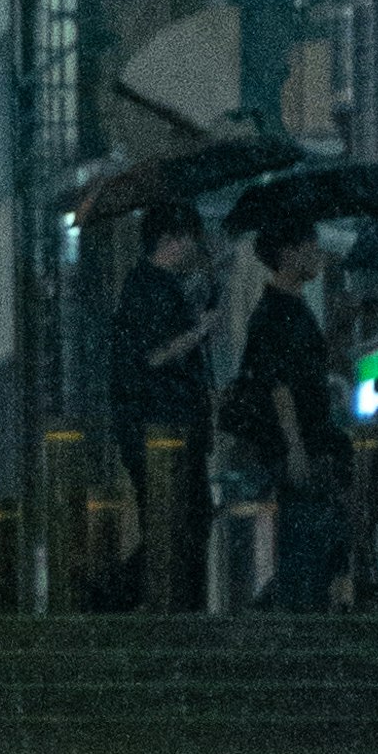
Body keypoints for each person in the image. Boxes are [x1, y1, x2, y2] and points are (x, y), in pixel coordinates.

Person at [221, 219, 343, 610]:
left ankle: (295, 608)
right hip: (295, 441)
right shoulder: (276, 312)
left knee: (310, 538)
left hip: (307, 437)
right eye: (311, 245)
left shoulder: (291, 308)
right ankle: (293, 616)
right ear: (288, 254)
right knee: (305, 537)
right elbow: (280, 387)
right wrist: (295, 449)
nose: (318, 255)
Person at [109, 202, 218, 609]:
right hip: (158, 429)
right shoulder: (146, 287)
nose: (197, 246)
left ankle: (140, 598)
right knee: (173, 524)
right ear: (170, 239)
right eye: (192, 237)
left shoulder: (164, 285)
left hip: (174, 426)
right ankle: (118, 594)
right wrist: (200, 331)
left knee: (185, 520)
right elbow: (154, 354)